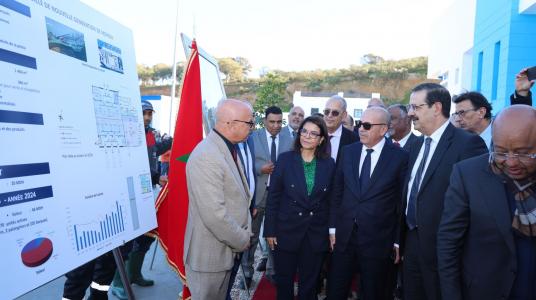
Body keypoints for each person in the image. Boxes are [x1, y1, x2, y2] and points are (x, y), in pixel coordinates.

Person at [438, 105, 536, 300]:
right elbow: (448, 243)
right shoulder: (468, 175)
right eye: (500, 151)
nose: (511, 162)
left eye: (523, 153)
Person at [401, 83, 488, 300]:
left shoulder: (468, 144)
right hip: (411, 244)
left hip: (446, 253)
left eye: (416, 107)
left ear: (437, 107)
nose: (410, 113)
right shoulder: (415, 145)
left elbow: (477, 204)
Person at [327, 107, 408, 300]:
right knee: (336, 290)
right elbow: (337, 192)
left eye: (367, 125)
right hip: (344, 237)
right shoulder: (349, 152)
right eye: (359, 124)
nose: (361, 129)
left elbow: (400, 201)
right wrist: (332, 228)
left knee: (373, 292)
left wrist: (398, 240)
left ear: (383, 129)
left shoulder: (399, 157)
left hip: (378, 240)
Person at [183, 99, 253, 300]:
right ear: (230, 124)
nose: (252, 127)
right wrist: (242, 240)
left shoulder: (226, 148)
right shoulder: (207, 156)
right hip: (210, 257)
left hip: (224, 251)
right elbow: (214, 215)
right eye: (249, 123)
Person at [264, 115, 335, 300]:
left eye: (313, 134)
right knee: (284, 282)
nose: (307, 136)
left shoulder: (329, 164)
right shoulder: (285, 160)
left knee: (309, 285)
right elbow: (273, 197)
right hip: (286, 230)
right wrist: (270, 230)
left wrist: (331, 231)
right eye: (304, 131)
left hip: (315, 232)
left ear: (321, 140)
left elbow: (332, 200)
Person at [111, 100, 172, 299]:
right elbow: (132, 166)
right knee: (127, 240)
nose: (147, 117)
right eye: (144, 113)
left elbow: (153, 153)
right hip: (129, 194)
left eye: (149, 114)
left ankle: (134, 274)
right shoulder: (126, 134)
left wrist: (173, 139)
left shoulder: (149, 134)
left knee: (146, 237)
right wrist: (156, 177)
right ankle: (119, 282)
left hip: (146, 192)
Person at [242, 106, 294, 286]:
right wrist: (260, 169)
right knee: (252, 236)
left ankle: (273, 271)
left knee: (274, 235)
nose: (276, 125)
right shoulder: (252, 138)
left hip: (279, 196)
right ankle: (247, 273)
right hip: (258, 196)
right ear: (264, 121)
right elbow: (244, 164)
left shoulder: (290, 139)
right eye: (272, 122)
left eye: (279, 122)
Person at [323, 95, 360, 165]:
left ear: (344, 116)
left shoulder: (354, 140)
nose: (329, 115)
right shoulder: (314, 135)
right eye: (327, 111)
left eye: (335, 113)